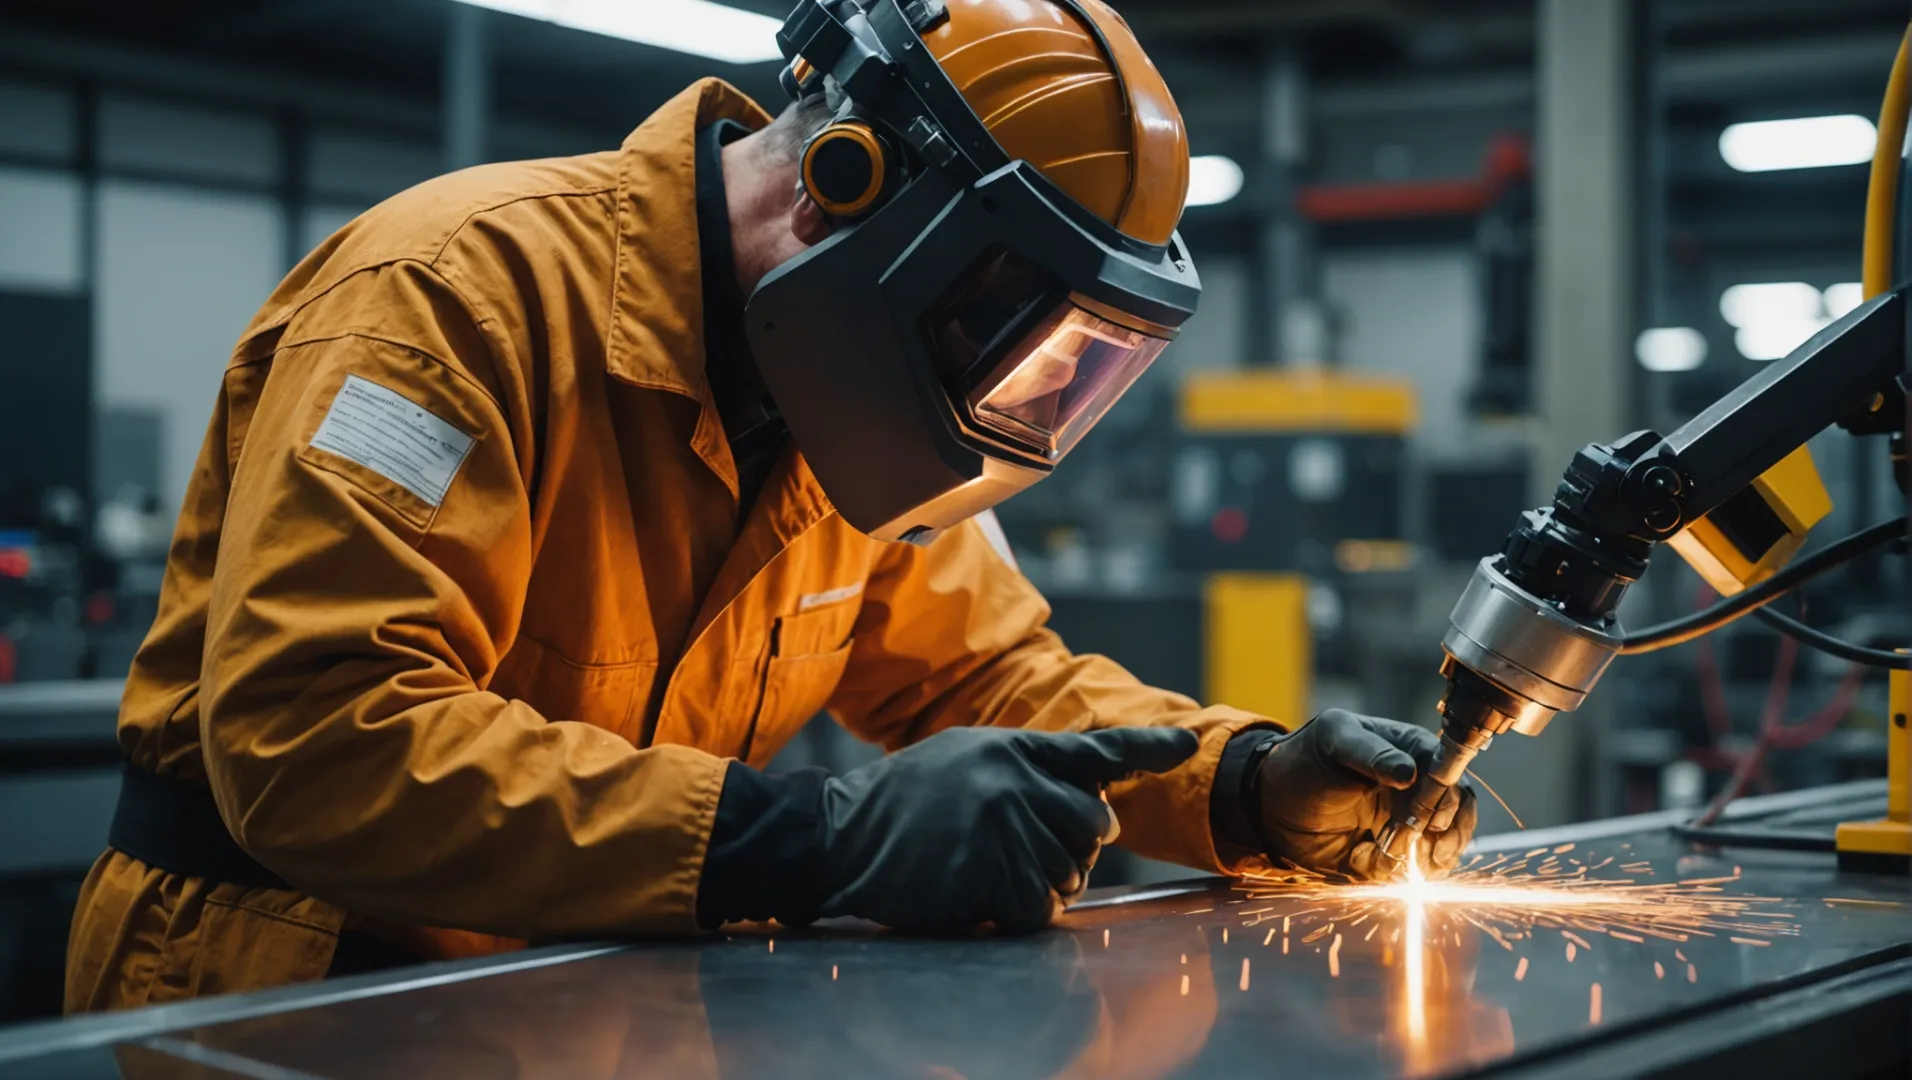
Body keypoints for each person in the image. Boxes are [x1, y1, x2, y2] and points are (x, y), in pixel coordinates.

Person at [65, 0, 1475, 1013]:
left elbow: (993, 678)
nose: (1004, 393)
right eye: (999, 331)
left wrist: (1242, 784)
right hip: (285, 990)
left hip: (577, 985)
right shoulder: (452, 302)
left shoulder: (848, 413)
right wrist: (815, 839)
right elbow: (316, 741)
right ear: (842, 192)